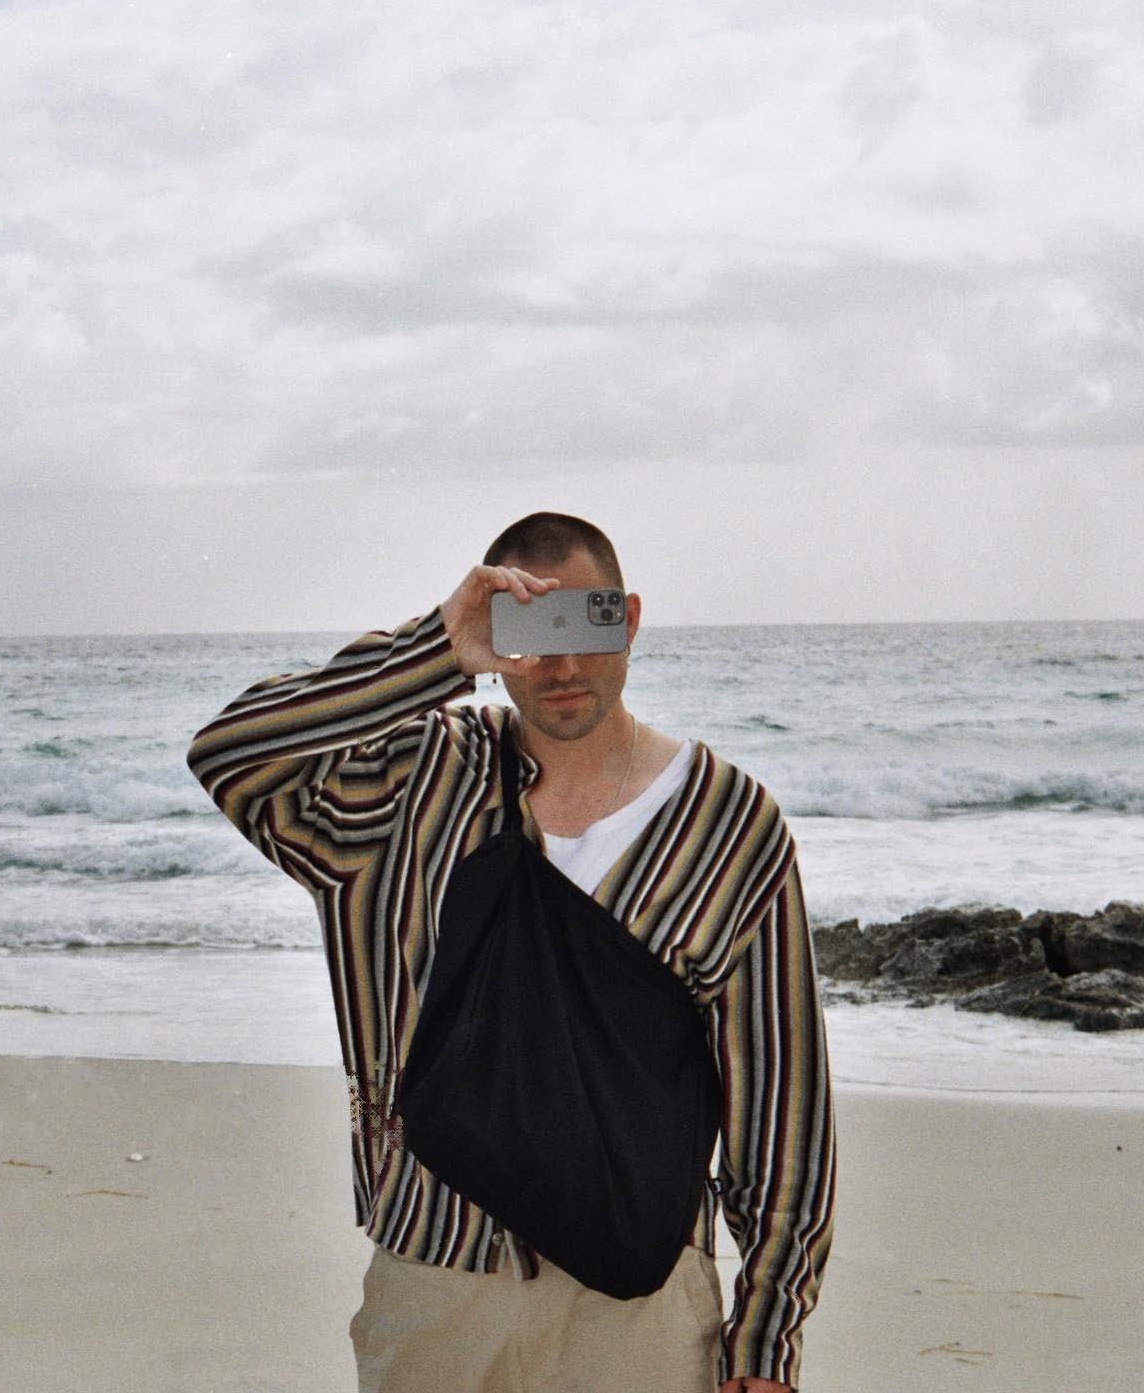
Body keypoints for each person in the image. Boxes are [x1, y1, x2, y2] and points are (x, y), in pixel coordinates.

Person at [187, 511, 835, 1393]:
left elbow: (783, 1097)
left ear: (628, 619)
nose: (562, 667)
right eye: (533, 633)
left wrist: (767, 1338)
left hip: (638, 1304)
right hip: (437, 1282)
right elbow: (230, 753)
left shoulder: (726, 824)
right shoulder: (412, 786)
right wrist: (433, 651)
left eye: (586, 624)